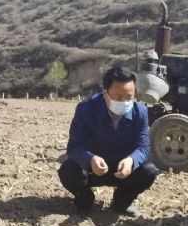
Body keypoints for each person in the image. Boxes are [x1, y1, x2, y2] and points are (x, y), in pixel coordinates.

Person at [58, 66, 158, 217]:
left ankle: (121, 202)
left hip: (123, 169)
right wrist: (90, 159)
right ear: (105, 94)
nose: (124, 102)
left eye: (129, 97)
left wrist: (131, 161)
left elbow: (143, 147)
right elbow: (74, 146)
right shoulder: (86, 109)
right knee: (69, 170)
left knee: (148, 171)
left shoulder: (140, 112)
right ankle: (84, 200)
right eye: (118, 97)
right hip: (93, 168)